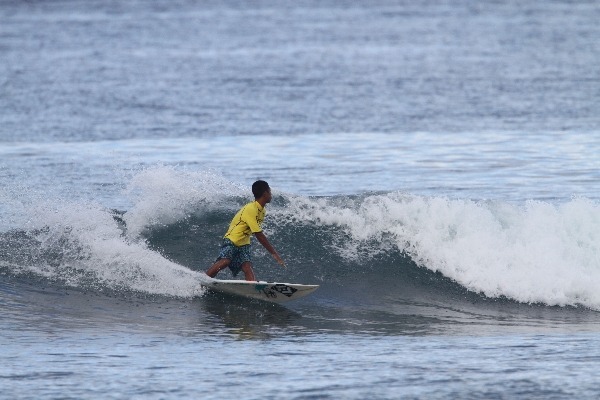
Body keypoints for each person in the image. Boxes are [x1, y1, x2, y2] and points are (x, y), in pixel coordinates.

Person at [205, 180, 285, 281]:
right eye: (270, 192)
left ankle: (252, 287)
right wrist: (274, 253)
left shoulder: (262, 210)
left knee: (247, 267)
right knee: (225, 261)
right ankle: (205, 279)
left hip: (244, 243)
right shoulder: (251, 209)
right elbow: (258, 234)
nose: (271, 195)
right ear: (265, 194)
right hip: (232, 239)